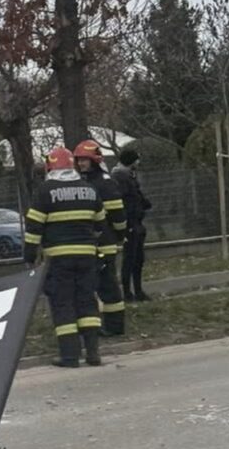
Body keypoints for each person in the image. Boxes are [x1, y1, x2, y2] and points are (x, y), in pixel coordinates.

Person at [24, 146, 105, 367]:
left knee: (63, 303)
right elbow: (100, 223)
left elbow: (33, 228)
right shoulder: (89, 189)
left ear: (50, 167)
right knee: (87, 301)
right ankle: (93, 353)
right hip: (87, 256)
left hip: (59, 259)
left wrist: (30, 256)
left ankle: (70, 356)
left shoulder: (44, 191)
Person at [73, 139, 126, 337]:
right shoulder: (86, 182)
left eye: (84, 160)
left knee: (108, 286)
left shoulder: (104, 182)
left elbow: (118, 215)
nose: (81, 164)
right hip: (92, 243)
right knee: (96, 286)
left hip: (105, 243)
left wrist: (118, 235)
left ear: (94, 160)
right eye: (78, 160)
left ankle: (115, 327)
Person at [110, 146, 153, 302]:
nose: (139, 162)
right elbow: (125, 200)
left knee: (138, 259)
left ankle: (138, 291)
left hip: (136, 222)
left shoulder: (128, 176)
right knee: (130, 259)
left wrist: (144, 203)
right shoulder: (120, 177)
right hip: (129, 223)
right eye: (137, 159)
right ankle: (128, 292)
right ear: (131, 161)